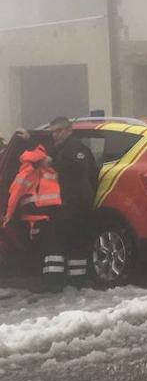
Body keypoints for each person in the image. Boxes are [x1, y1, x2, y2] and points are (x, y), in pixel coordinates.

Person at [14, 117, 97, 291]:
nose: (55, 135)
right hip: (72, 204)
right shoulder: (62, 148)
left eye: (58, 131)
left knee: (56, 243)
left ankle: (55, 284)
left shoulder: (74, 148)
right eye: (52, 132)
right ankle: (75, 284)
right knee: (75, 245)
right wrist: (30, 138)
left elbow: (78, 169)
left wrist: (54, 163)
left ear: (69, 130)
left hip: (73, 205)